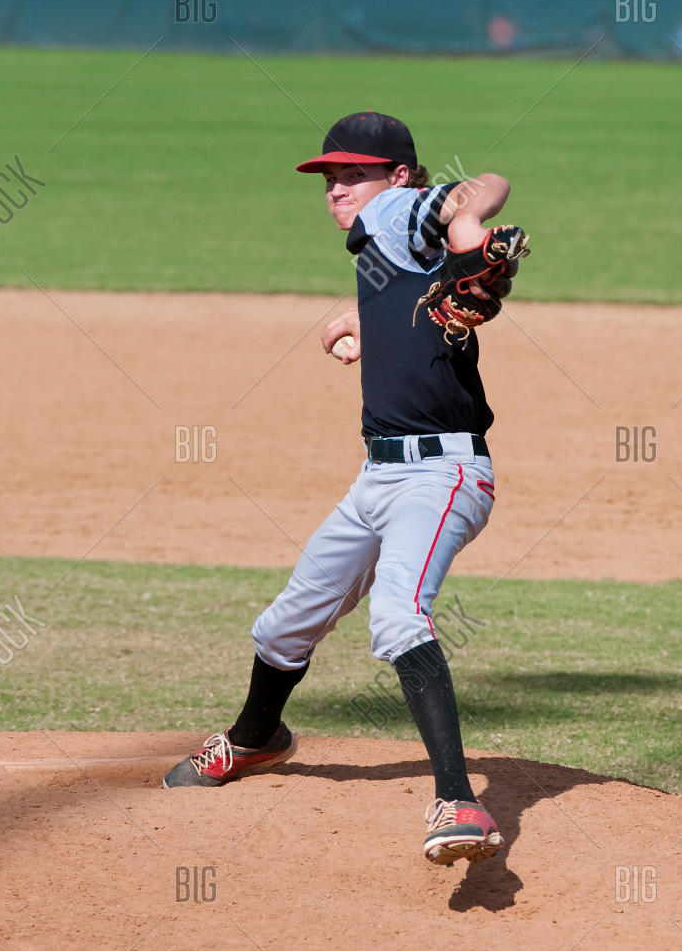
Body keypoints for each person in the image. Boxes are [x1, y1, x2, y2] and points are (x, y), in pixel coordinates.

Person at [164, 111, 518, 867]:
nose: (335, 190)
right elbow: (419, 287)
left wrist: (467, 232)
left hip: (443, 474)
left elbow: (484, 187)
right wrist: (360, 317)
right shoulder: (386, 250)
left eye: (351, 174)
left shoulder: (397, 210)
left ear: (397, 177)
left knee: (397, 613)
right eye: (329, 178)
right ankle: (258, 738)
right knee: (284, 625)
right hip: (379, 477)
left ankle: (457, 797)